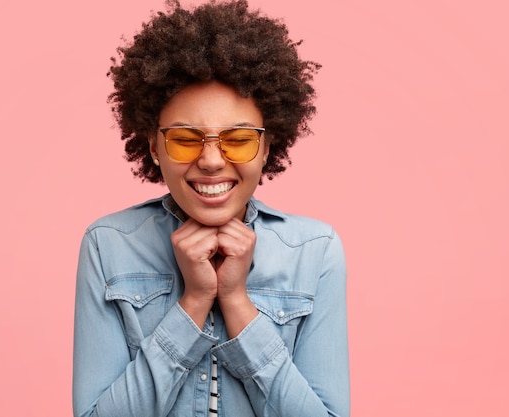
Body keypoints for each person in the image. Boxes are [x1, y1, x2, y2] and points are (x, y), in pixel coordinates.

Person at [72, 1, 349, 416]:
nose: (212, 161)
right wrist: (195, 301)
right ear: (154, 146)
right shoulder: (108, 246)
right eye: (185, 139)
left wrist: (236, 300)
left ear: (267, 147)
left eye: (238, 139)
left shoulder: (314, 251)